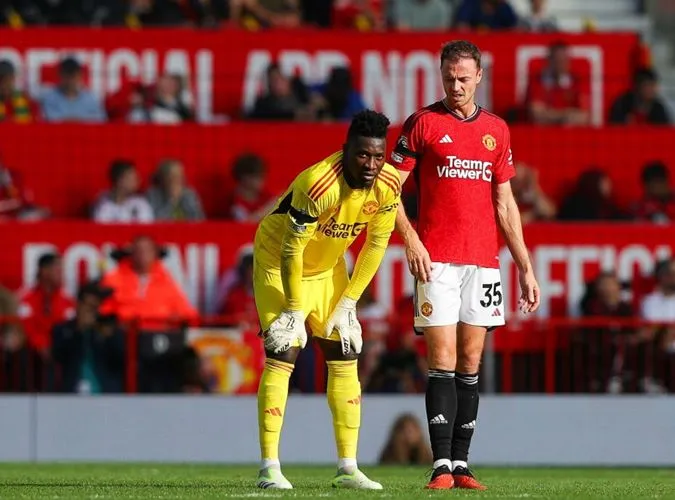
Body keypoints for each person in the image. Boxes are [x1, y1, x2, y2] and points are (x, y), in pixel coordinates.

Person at [390, 40, 540, 490]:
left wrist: (526, 267)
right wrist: (411, 239)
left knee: (471, 361)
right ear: (440, 74)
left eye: (463, 78)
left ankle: (462, 463)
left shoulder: (497, 130)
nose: (455, 86)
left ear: (479, 77)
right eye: (448, 77)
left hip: (483, 261)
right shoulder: (422, 123)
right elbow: (388, 188)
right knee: (442, 358)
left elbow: (505, 202)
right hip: (435, 260)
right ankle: (440, 465)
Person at [253, 110, 399, 490]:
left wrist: (349, 301)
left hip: (330, 269)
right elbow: (290, 250)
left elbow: (376, 245)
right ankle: (270, 466)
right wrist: (294, 310)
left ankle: (348, 468)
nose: (370, 165)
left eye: (378, 156)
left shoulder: (387, 185)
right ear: (346, 149)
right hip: (279, 264)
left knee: (345, 351)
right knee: (284, 348)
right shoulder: (317, 184)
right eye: (363, 155)